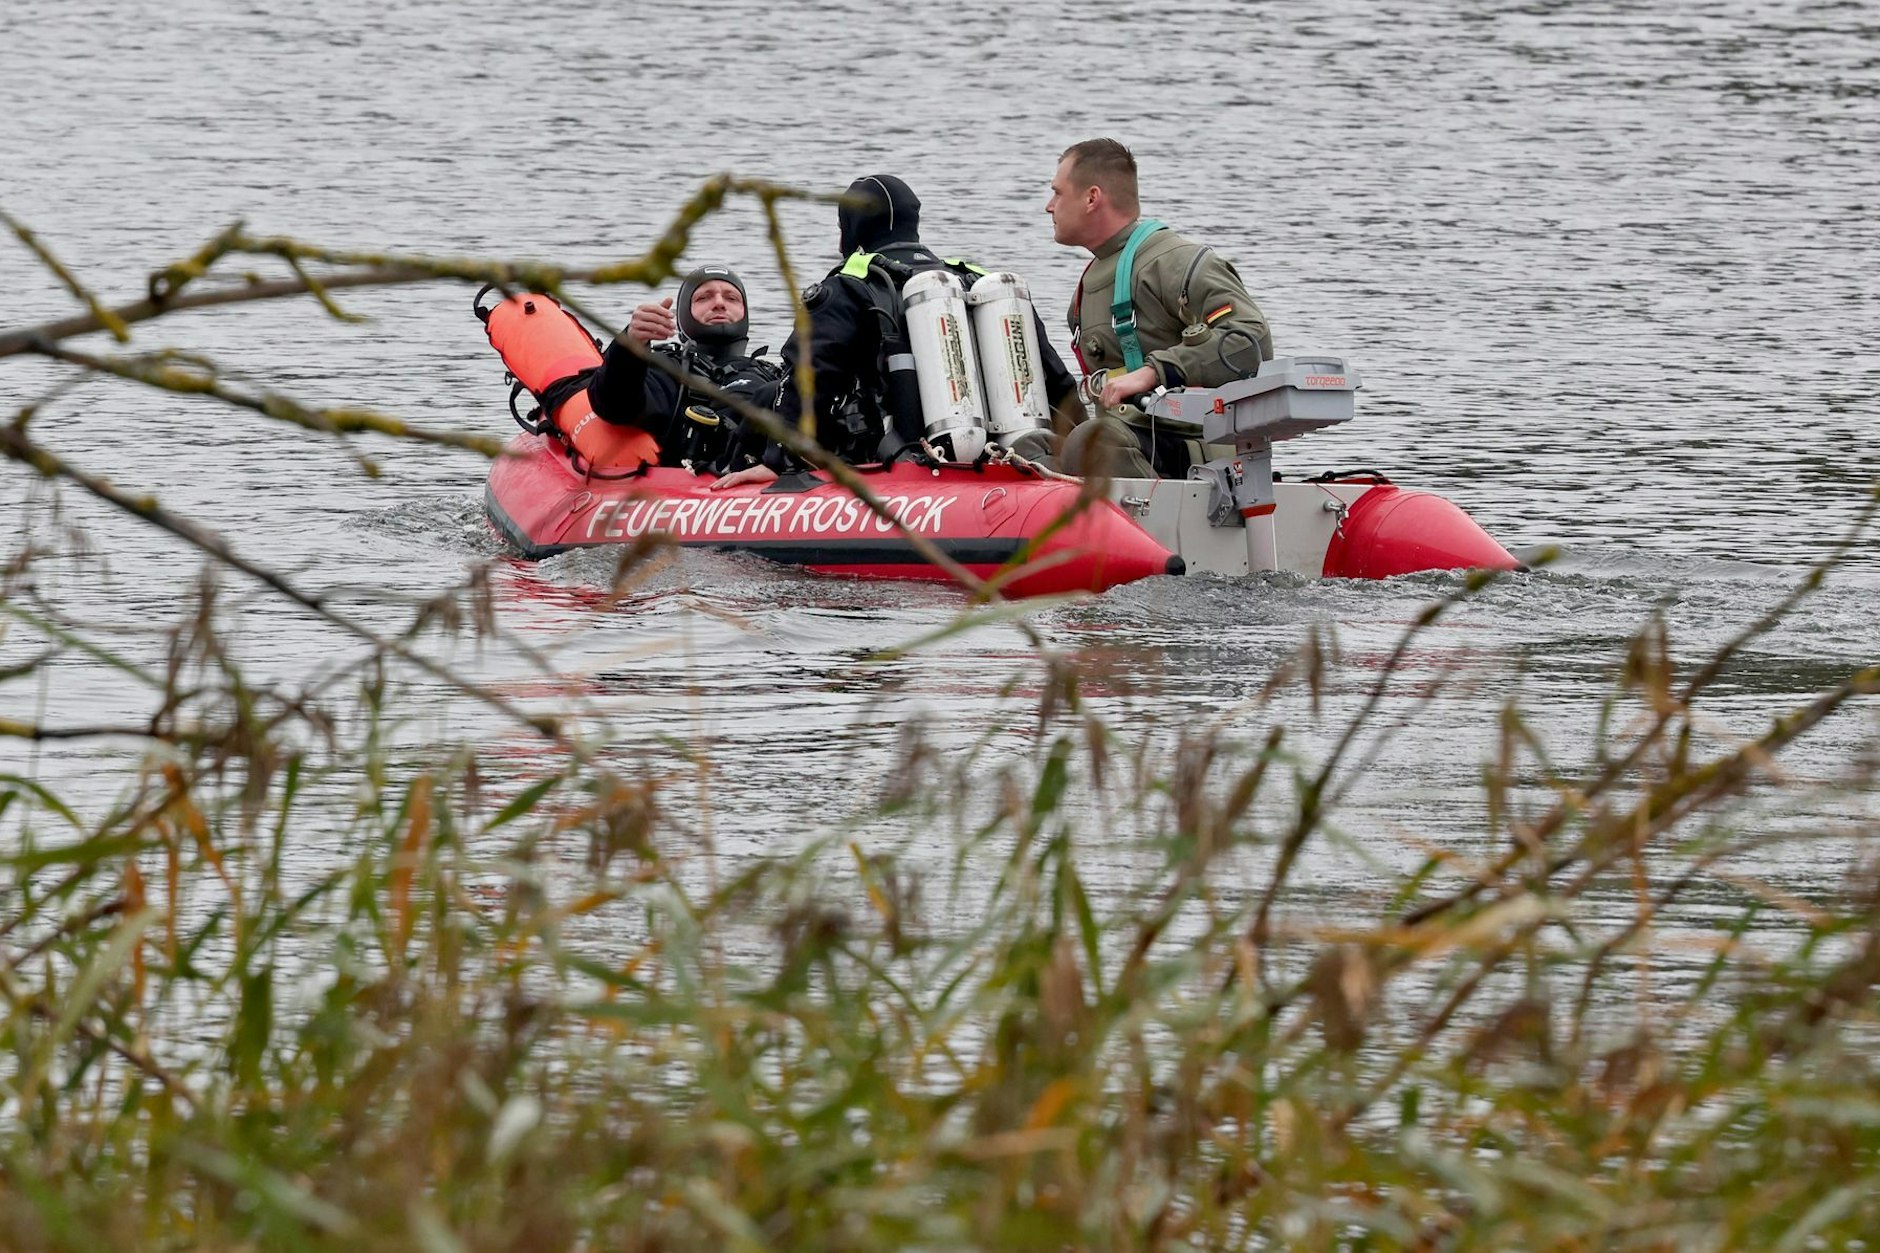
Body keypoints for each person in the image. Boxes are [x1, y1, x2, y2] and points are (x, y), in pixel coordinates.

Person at [713, 174, 1083, 489]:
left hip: (894, 460)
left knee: (764, 397)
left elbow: (810, 376)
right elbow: (1051, 374)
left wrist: (778, 459)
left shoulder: (849, 286)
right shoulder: (975, 279)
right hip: (1001, 451)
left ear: (851, 227)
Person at [1046, 138, 1274, 479]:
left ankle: (1153, 524)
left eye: (1057, 193)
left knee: (1092, 442)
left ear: (1092, 198)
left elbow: (1250, 340)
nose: (1049, 206)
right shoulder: (1088, 287)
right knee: (1033, 445)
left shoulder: (1173, 263)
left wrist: (1155, 371)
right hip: (1131, 442)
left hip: (1192, 450)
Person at [587, 264, 785, 474]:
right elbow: (614, 405)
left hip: (768, 483)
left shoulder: (771, 374)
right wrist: (631, 342)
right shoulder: (664, 369)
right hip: (686, 488)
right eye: (704, 297)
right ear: (683, 314)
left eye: (731, 298)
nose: (719, 303)